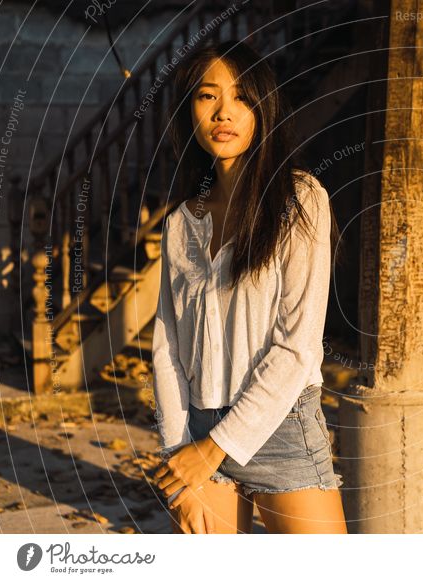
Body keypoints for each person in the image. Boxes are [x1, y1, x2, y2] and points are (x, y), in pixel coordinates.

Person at [150, 40, 346, 534]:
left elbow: (297, 348)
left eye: (240, 97)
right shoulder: (181, 223)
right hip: (195, 433)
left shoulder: (299, 201)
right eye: (207, 96)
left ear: (263, 107)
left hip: (279, 428)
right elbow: (167, 346)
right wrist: (181, 458)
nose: (224, 112)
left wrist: (213, 449)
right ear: (189, 112)